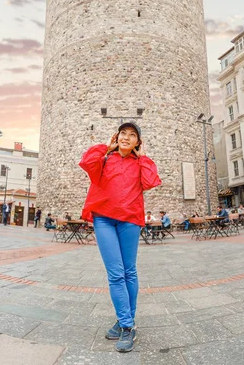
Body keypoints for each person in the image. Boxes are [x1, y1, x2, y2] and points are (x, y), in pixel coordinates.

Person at [79, 121, 161, 353]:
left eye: (132, 135)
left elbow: (151, 181)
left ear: (138, 142)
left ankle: (126, 322)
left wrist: (143, 157)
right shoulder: (105, 159)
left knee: (129, 271)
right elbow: (86, 162)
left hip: (129, 220)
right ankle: (126, 324)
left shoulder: (140, 163)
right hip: (104, 219)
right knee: (116, 273)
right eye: (122, 133)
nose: (126, 137)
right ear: (117, 137)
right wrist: (106, 147)